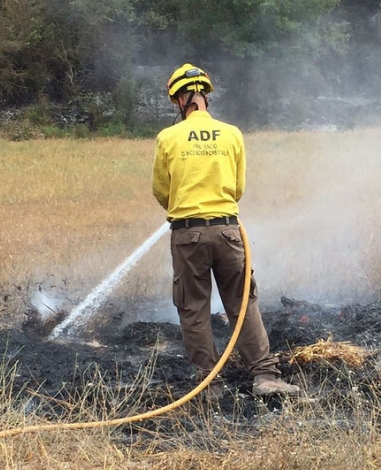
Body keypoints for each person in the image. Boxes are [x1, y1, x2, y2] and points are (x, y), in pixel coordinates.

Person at [152, 63, 300, 398]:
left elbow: (162, 191)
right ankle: (265, 377)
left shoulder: (167, 138)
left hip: (187, 235)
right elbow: (237, 189)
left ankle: (209, 385)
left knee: (193, 308)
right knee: (243, 303)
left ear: (179, 101)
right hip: (229, 232)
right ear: (205, 95)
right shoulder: (232, 134)